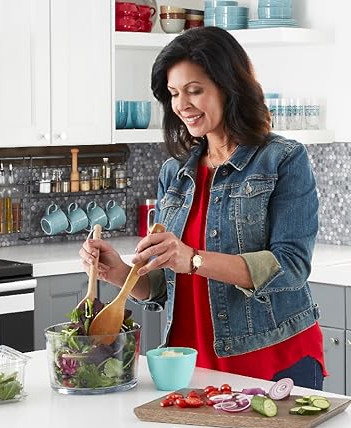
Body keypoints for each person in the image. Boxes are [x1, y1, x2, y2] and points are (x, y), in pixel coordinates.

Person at [80, 26, 325, 390]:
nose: (182, 105)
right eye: (175, 93)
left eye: (195, 91)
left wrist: (193, 258)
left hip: (271, 358)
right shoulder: (174, 172)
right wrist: (121, 274)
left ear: (230, 87)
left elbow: (291, 268)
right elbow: (168, 285)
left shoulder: (283, 159)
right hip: (188, 364)